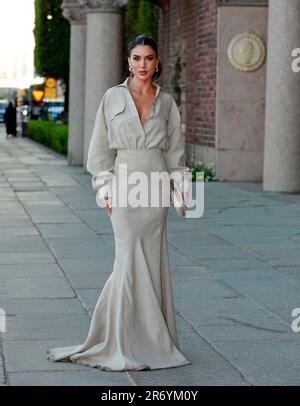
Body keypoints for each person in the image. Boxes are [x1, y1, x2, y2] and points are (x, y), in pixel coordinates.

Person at [46, 34, 191, 371]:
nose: (143, 65)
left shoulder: (166, 101)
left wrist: (181, 186)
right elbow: (99, 151)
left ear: (157, 62)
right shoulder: (112, 98)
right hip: (124, 182)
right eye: (137, 58)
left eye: (149, 58)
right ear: (128, 61)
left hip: (155, 186)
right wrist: (105, 187)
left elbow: (175, 152)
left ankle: (150, 338)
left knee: (151, 260)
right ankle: (119, 340)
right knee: (127, 257)